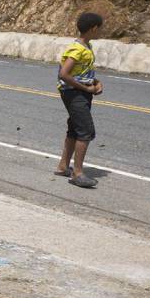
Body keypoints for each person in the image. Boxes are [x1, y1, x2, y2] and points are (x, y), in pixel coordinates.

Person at [55, 12, 104, 189]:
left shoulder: (86, 46)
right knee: (85, 130)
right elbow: (64, 74)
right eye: (100, 29)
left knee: (74, 128)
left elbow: (81, 73)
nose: (101, 32)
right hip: (74, 93)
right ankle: (77, 173)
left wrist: (95, 83)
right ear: (94, 28)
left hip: (80, 92)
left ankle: (63, 166)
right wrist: (86, 88)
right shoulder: (77, 49)